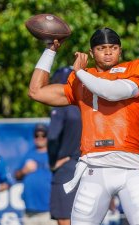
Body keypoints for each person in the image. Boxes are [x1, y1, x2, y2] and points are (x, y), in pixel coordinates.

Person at [28, 27, 139, 225]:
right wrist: (50, 50)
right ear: (91, 52)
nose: (108, 52)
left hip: (131, 167)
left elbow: (112, 92)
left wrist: (79, 72)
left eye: (113, 47)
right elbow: (36, 92)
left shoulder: (137, 68)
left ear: (120, 50)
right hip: (94, 168)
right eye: (101, 48)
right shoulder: (80, 79)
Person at [47, 67, 82, 225]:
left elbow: (52, 137)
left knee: (65, 218)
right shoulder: (87, 106)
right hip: (90, 167)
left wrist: (53, 162)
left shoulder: (62, 106)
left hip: (68, 168)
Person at [15, 124, 57, 225]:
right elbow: (16, 175)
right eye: (37, 135)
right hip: (30, 211)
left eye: (43, 135)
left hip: (49, 211)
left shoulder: (54, 154)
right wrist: (24, 171)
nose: (40, 138)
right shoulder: (29, 154)